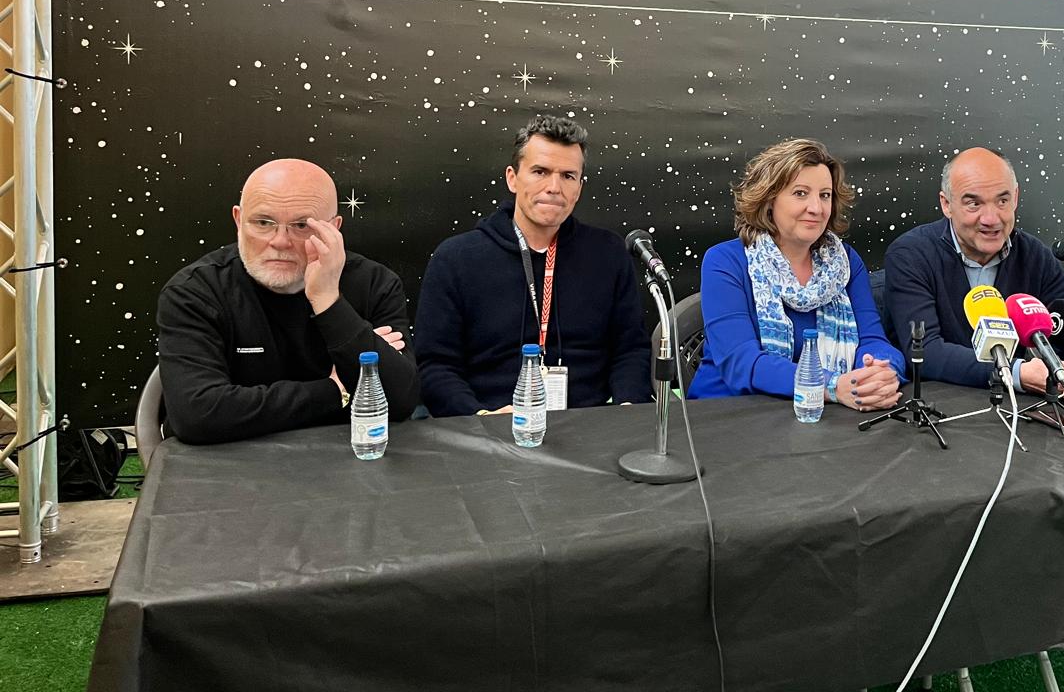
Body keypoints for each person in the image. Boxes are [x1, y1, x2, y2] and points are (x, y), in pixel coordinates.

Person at [157, 158, 418, 445]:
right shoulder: (195, 292)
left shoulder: (375, 284)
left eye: (302, 225)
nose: (280, 241)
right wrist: (335, 392)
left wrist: (328, 299)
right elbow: (198, 415)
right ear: (238, 220)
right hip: (226, 466)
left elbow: (399, 402)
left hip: (343, 459)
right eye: (263, 222)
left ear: (334, 227)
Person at [415, 116, 652, 415]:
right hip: (487, 429)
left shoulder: (609, 252)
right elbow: (435, 365)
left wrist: (627, 408)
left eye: (568, 176)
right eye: (540, 171)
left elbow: (630, 350)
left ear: (579, 187)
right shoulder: (456, 259)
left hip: (590, 427)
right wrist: (479, 418)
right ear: (512, 178)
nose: (554, 187)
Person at [690, 138, 905, 410]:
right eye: (800, 193)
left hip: (827, 415)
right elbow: (741, 363)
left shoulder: (847, 261)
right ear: (769, 200)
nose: (816, 208)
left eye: (825, 195)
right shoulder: (725, 261)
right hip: (732, 413)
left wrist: (881, 373)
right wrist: (829, 386)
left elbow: (873, 340)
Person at [882, 147, 1064, 389]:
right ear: (946, 204)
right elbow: (926, 352)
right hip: (941, 410)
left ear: (1016, 198)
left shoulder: (1036, 257)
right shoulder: (910, 255)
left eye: (1002, 201)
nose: (991, 218)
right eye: (974, 204)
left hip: (1025, 415)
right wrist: (1015, 373)